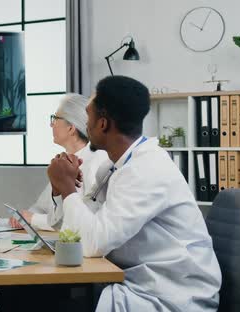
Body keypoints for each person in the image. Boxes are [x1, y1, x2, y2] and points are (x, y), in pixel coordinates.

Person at [46, 75, 222, 311]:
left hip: (171, 293)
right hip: (138, 279)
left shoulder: (145, 169)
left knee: (35, 301)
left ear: (103, 123)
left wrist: (67, 188)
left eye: (88, 116)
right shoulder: (117, 165)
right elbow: (80, 229)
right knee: (22, 297)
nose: (85, 125)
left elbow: (91, 244)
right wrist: (62, 188)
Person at [9, 93, 108, 231]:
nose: (51, 124)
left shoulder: (97, 161)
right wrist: (23, 216)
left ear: (71, 128)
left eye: (55, 118)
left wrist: (32, 218)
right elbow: (41, 206)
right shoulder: (62, 163)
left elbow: (81, 220)